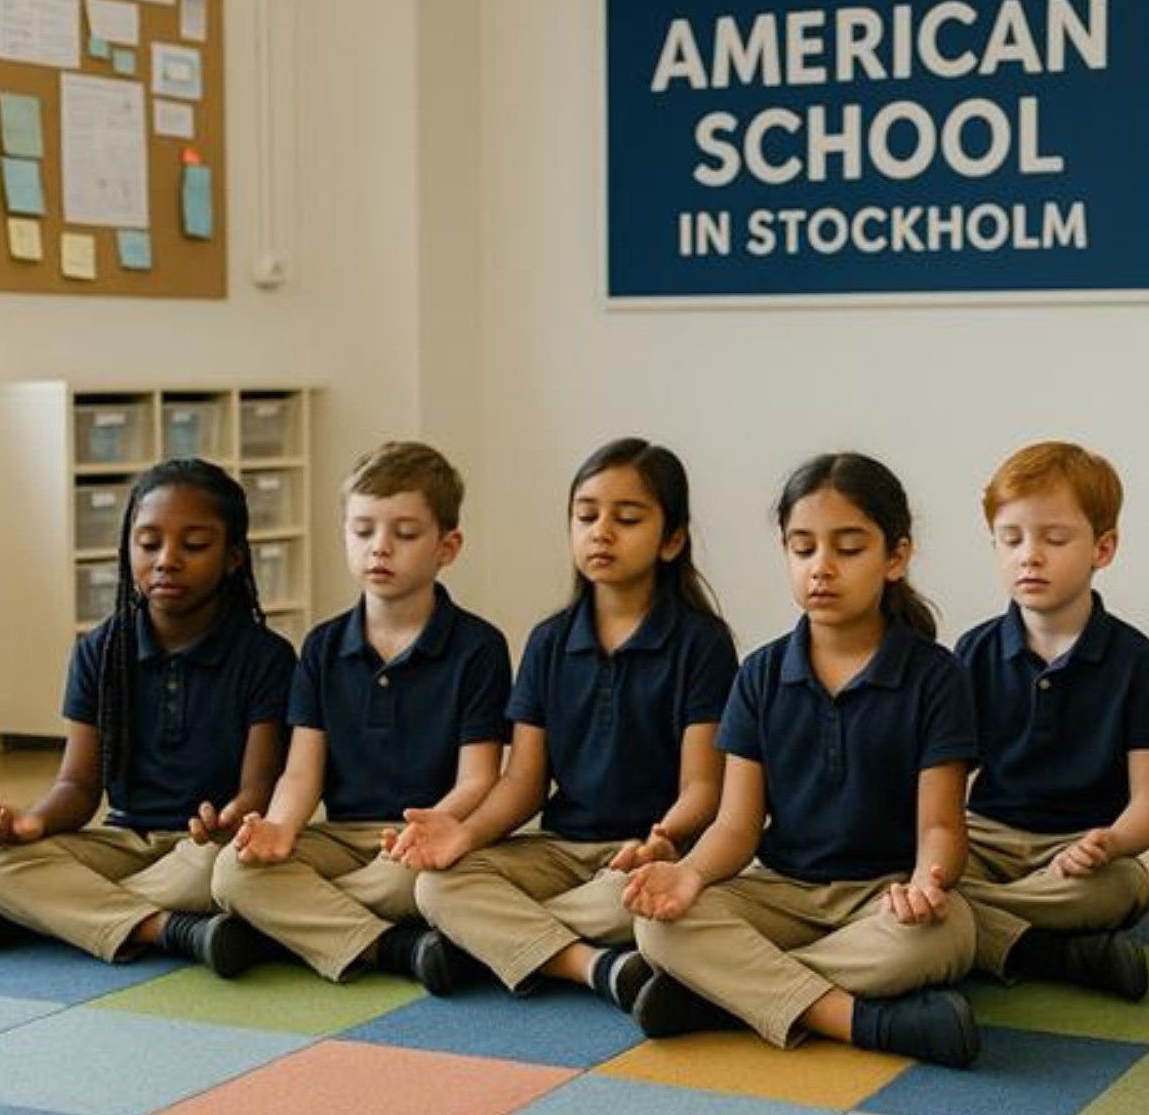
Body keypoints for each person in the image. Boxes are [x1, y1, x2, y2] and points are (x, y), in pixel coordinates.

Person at [626, 452, 982, 1068]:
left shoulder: (937, 676)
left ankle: (720, 995)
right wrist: (690, 874)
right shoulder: (759, 674)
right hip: (780, 892)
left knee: (948, 936)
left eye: (849, 548)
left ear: (895, 557)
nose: (822, 566)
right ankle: (861, 1020)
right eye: (803, 548)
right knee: (656, 926)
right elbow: (737, 827)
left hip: (882, 896)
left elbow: (941, 826)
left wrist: (927, 883)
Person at [395, 439, 737, 1009]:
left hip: (645, 855)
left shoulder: (702, 643)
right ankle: (593, 966)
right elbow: (523, 781)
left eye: (627, 519)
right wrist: (465, 833)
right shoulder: (549, 641)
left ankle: (490, 944)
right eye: (586, 516)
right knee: (438, 886)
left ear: (672, 540)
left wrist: (663, 840)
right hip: (557, 850)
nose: (602, 532)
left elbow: (704, 787)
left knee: (638, 901)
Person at [0, 460, 294, 976]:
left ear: (233, 557)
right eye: (148, 543)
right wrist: (33, 822)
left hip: (204, 850)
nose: (167, 560)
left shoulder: (267, 658)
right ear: (128, 549)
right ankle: (169, 930)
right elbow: (78, 786)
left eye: (194, 545)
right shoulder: (99, 652)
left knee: (233, 873)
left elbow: (259, 789)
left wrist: (233, 818)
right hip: (124, 841)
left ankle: (48, 915)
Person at [211, 441, 511, 990]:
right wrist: (279, 827)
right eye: (363, 530)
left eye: (405, 533)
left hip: (421, 844)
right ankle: (393, 947)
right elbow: (301, 773)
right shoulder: (321, 647)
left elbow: (479, 779)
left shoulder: (479, 648)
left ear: (447, 547)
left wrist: (428, 831)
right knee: (233, 872)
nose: (380, 548)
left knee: (417, 885)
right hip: (339, 838)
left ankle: (291, 929)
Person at [952, 442, 1149, 999]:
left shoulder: (1135, 659)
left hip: (1078, 849)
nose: (1030, 556)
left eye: (1053, 539)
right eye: (1011, 540)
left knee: (1128, 887)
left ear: (1104, 548)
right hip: (984, 840)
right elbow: (944, 784)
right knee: (909, 870)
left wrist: (1111, 841)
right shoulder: (973, 652)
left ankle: (974, 923)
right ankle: (1046, 948)